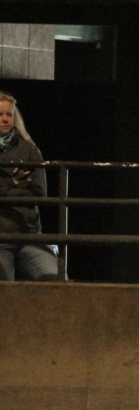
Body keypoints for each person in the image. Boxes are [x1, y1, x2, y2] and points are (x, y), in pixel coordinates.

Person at [0, 91, 59, 282]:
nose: (5, 119)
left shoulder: (29, 149)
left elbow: (40, 192)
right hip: (1, 238)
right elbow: (26, 189)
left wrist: (5, 190)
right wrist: (13, 184)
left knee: (57, 279)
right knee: (4, 288)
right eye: (0, 114)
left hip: (30, 234)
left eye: (9, 114)